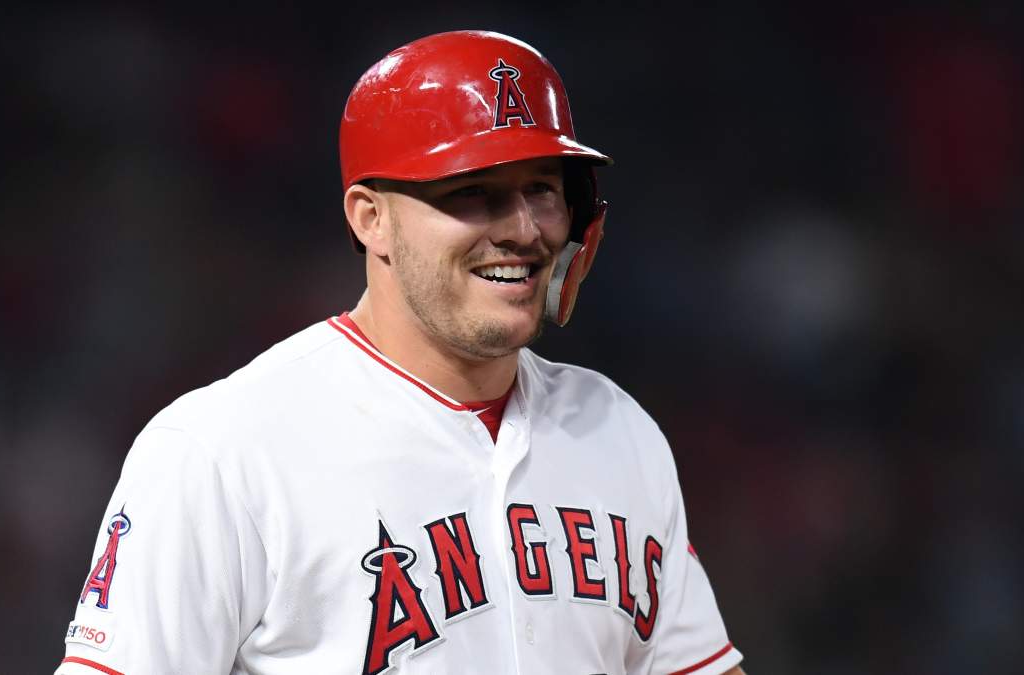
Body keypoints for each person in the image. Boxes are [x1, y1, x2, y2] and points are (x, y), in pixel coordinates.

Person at [55, 30, 744, 675]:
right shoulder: (225, 450)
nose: (523, 228)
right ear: (371, 218)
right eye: (473, 191)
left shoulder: (617, 429)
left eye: (541, 189)